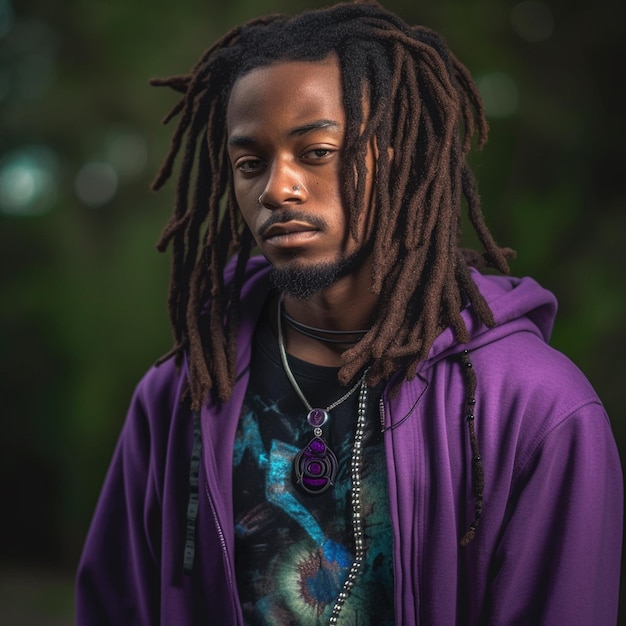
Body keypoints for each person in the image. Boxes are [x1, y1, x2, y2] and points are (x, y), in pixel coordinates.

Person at [75, 2, 623, 624]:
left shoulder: (534, 407)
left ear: (397, 156)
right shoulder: (180, 396)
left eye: (316, 152)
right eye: (250, 164)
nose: (277, 189)